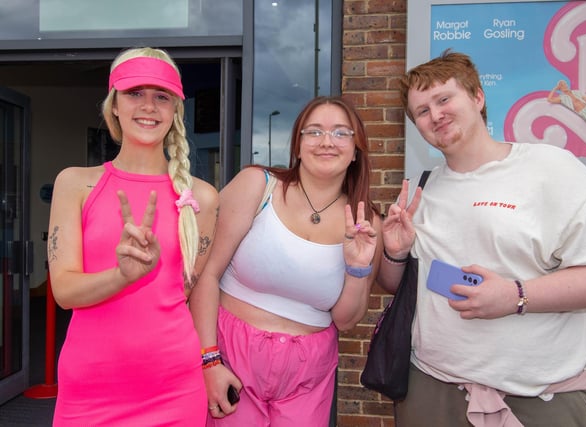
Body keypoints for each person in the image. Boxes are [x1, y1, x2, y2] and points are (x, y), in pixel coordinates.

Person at [377, 49, 586, 427]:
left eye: (444, 99)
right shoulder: (424, 188)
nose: (435, 115)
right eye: (421, 111)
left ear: (478, 97)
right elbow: (397, 287)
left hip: (539, 400)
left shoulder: (550, 168)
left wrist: (515, 296)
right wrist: (396, 254)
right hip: (430, 391)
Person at [48, 47, 219, 426]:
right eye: (134, 93)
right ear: (114, 106)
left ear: (176, 110)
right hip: (91, 388)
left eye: (162, 96)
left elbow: (185, 292)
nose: (148, 107)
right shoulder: (75, 183)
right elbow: (64, 291)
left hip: (174, 387)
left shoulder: (202, 198)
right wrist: (122, 275)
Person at [189, 96, 382, 426]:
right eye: (314, 131)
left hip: (308, 375)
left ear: (356, 150)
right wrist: (209, 361)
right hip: (231, 356)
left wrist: (357, 268)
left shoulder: (365, 223)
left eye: (340, 133)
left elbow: (346, 320)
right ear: (298, 143)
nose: (326, 142)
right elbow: (205, 274)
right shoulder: (257, 185)